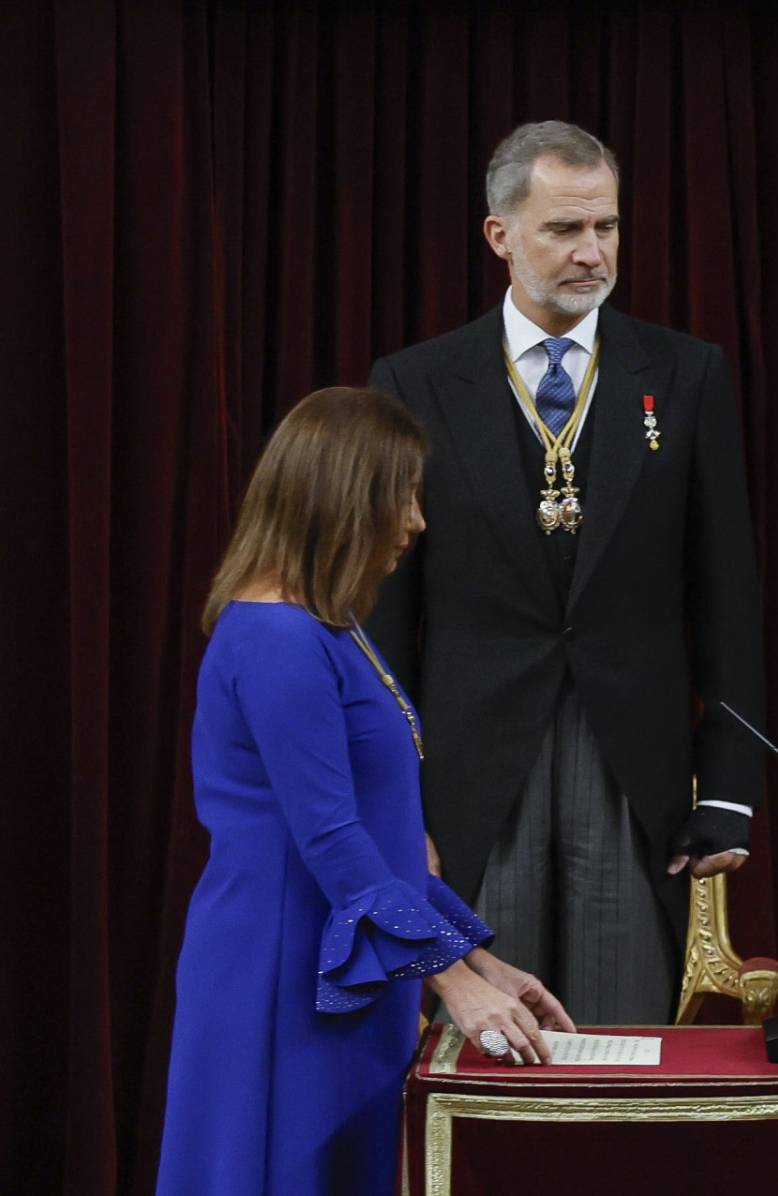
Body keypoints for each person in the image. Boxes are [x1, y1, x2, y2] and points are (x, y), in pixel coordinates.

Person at [364, 121, 764, 1026]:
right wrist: (392, 797)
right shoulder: (416, 382)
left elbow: (728, 595)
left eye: (608, 228)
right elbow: (386, 616)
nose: (593, 253)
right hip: (470, 769)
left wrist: (731, 785)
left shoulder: (687, 374)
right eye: (564, 230)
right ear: (500, 235)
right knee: (492, 1052)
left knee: (618, 1043)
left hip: (633, 765)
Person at [158, 387, 576, 1196]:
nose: (416, 523)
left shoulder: (330, 627)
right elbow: (331, 840)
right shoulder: (279, 638)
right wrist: (449, 982)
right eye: (403, 497)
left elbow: (383, 840)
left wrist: (480, 960)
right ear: (344, 500)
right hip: (281, 976)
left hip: (346, 969)